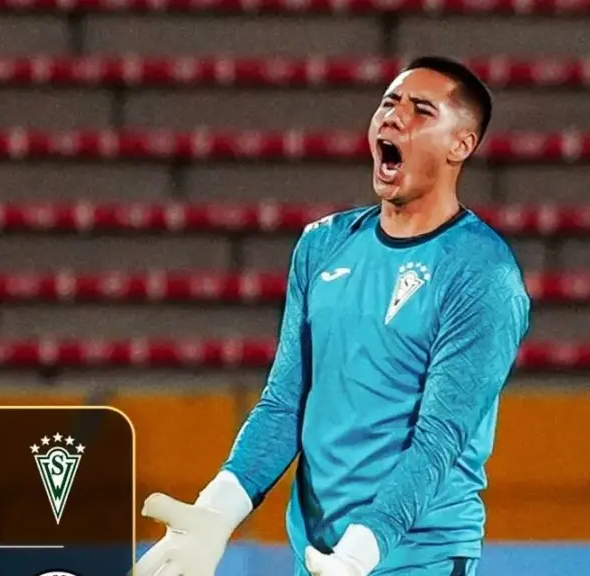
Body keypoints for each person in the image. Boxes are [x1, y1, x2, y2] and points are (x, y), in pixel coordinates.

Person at [132, 56, 533, 576]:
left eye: (420, 110)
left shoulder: (483, 274)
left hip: (415, 560)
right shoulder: (322, 245)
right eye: (389, 103)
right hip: (317, 559)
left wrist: (357, 555)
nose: (393, 118)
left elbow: (439, 439)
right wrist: (216, 510)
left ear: (461, 145)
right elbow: (284, 405)